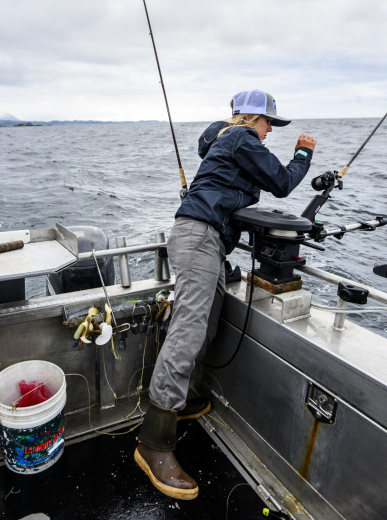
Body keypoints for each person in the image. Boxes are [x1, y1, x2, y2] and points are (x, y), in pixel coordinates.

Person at [134, 89, 316, 500]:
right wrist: (303, 154)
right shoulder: (241, 139)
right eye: (269, 123)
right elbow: (282, 182)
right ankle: (154, 443)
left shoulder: (221, 137)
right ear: (252, 118)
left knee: (208, 324)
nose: (270, 133)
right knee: (189, 332)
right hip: (200, 238)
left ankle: (179, 401)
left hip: (208, 241)